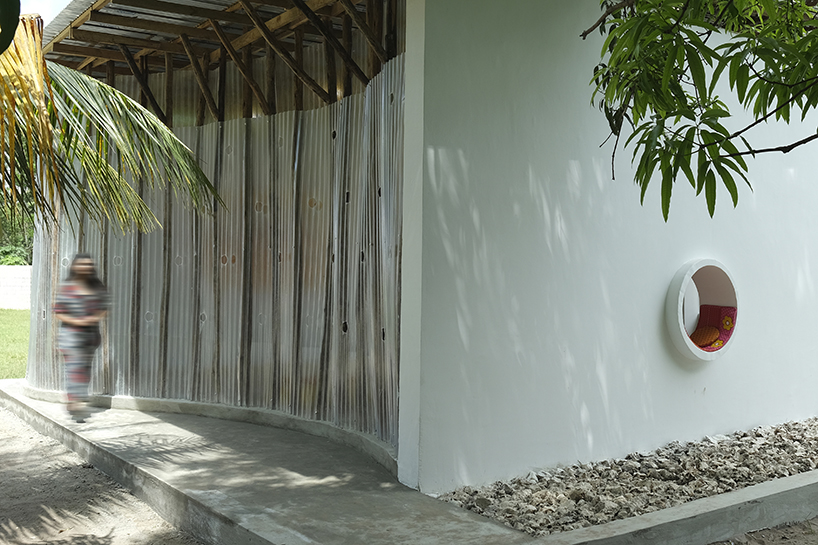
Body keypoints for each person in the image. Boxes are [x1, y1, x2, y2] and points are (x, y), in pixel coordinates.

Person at [53, 253, 109, 422]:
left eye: (88, 264)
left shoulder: (97, 287)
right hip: (71, 335)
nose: (85, 267)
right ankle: (75, 401)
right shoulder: (68, 287)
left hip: (91, 336)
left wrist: (93, 318)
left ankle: (75, 398)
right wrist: (77, 321)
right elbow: (58, 311)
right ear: (74, 267)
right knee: (74, 368)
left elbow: (104, 307)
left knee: (84, 370)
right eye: (82, 264)